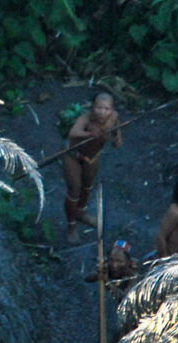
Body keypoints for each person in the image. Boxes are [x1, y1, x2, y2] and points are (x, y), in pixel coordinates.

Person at [63, 92, 123, 243]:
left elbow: (117, 126)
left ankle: (81, 212)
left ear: (112, 109)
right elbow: (73, 132)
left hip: (93, 157)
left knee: (88, 186)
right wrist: (89, 134)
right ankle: (71, 226)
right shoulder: (86, 118)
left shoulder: (114, 116)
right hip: (73, 156)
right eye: (99, 108)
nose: (102, 112)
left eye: (106, 109)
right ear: (93, 108)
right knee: (74, 190)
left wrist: (117, 137)